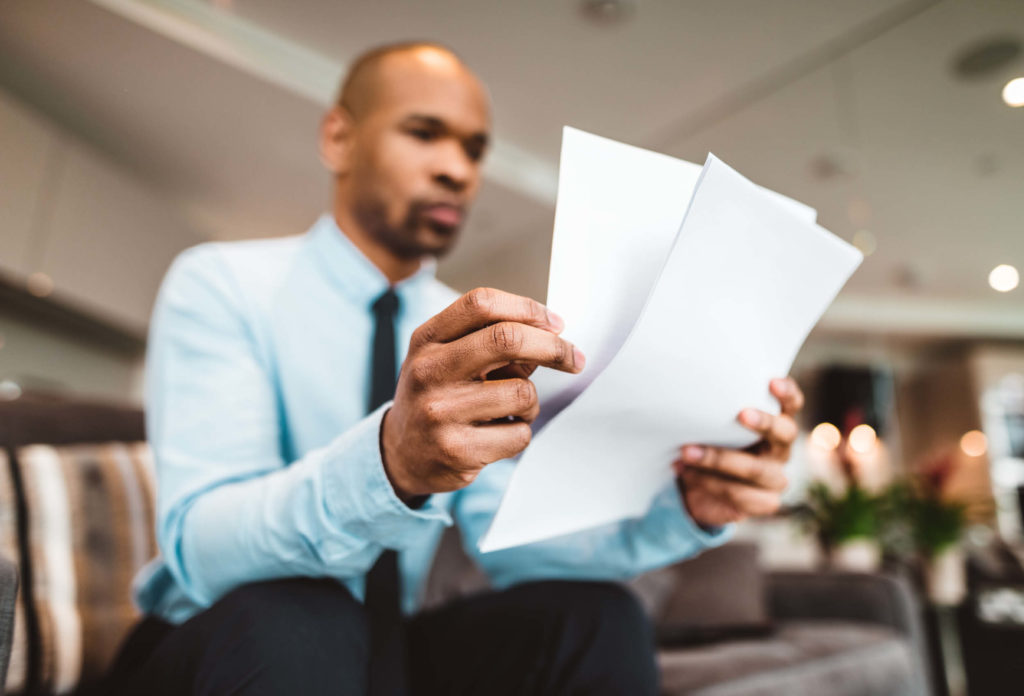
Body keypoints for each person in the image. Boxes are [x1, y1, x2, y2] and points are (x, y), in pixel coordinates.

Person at [105, 41, 802, 696]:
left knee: (597, 619)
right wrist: (387, 464)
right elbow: (202, 546)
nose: (458, 169)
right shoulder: (222, 283)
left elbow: (508, 545)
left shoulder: (477, 334)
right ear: (338, 138)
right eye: (424, 132)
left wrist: (683, 510)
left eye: (474, 149)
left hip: (384, 652)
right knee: (301, 618)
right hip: (224, 641)